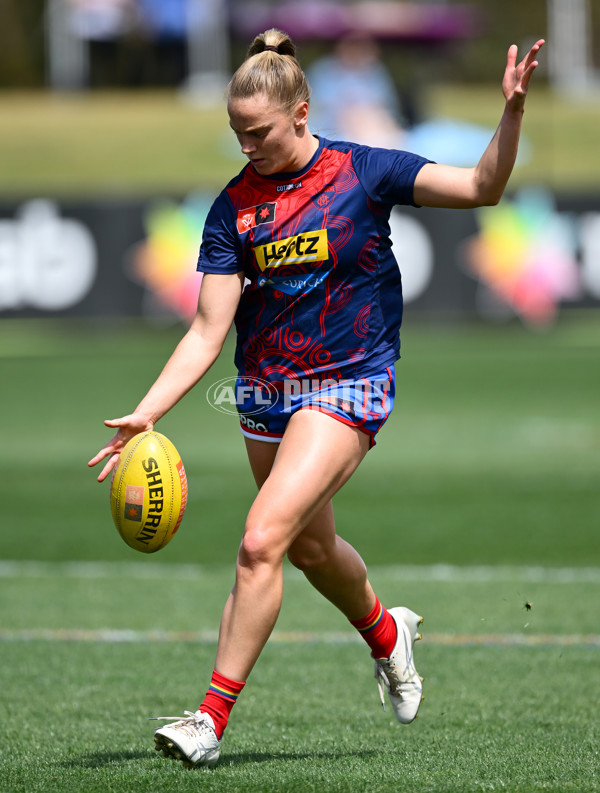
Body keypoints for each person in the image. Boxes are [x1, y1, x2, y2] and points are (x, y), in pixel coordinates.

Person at [89, 28, 544, 769]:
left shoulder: (363, 172)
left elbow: (480, 188)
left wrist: (513, 113)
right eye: (237, 133)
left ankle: (209, 718)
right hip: (266, 393)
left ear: (302, 113)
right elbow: (208, 331)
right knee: (308, 546)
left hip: (350, 380)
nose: (247, 146)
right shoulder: (232, 209)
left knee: (261, 537)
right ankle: (387, 633)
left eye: (259, 131)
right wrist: (149, 409)